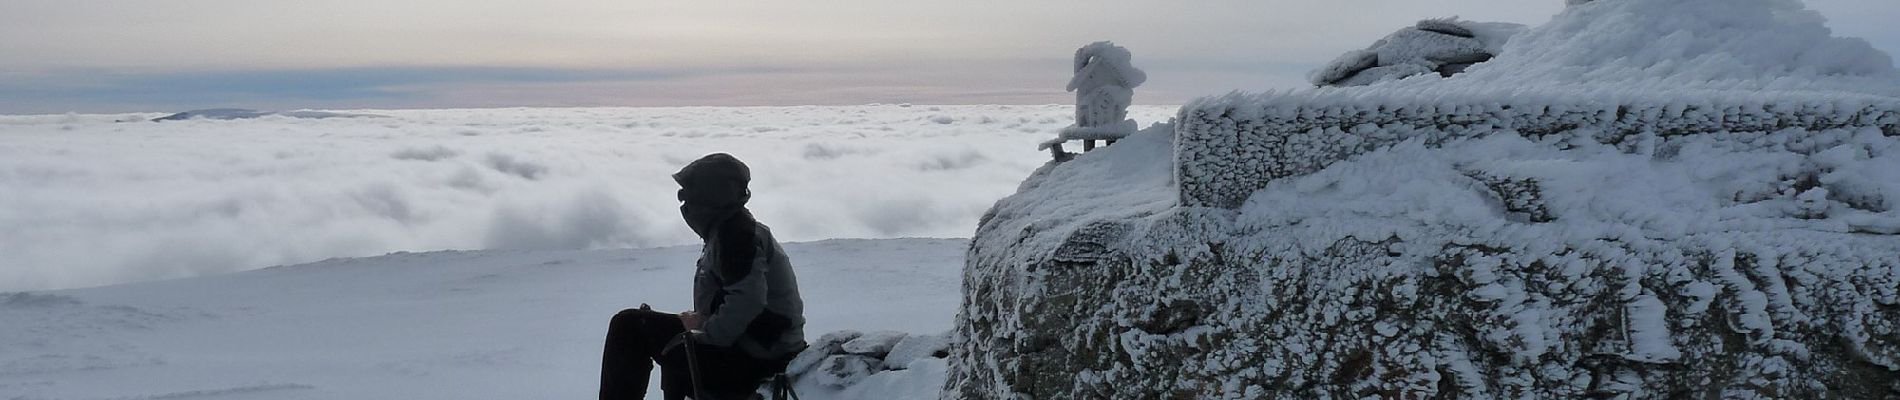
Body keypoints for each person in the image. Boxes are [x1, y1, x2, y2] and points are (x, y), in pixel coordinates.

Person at [600, 153, 806, 400]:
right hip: (758, 347)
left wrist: (702, 332)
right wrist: (699, 321)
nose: (683, 204)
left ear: (710, 198)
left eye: (688, 196)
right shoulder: (730, 229)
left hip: (758, 359)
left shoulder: (736, 238)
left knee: (629, 328)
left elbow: (747, 301)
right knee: (639, 327)